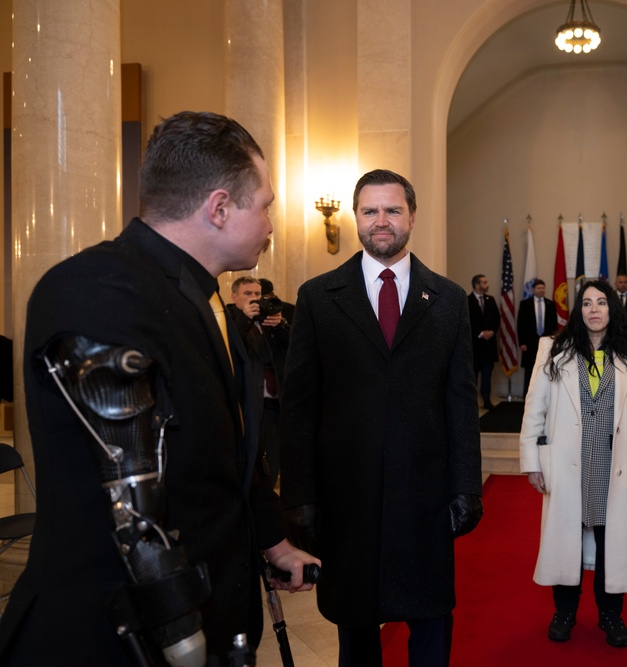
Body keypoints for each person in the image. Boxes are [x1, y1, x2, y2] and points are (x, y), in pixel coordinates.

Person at [0, 111, 319, 666]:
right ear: (219, 208)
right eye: (265, 205)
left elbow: (231, 453)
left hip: (212, 612)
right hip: (119, 638)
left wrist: (273, 541)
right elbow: (129, 502)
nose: (272, 224)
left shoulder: (206, 298)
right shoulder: (96, 289)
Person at [280, 168, 483, 667]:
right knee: (357, 627)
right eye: (370, 211)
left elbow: (461, 402)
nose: (381, 221)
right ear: (355, 218)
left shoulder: (450, 300)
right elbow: (299, 406)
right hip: (349, 497)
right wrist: (301, 494)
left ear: (412, 216)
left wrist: (467, 486)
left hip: (424, 495)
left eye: (393, 210)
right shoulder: (317, 298)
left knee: (431, 620)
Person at [520, 280, 627, 648]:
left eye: (602, 303)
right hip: (567, 466)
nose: (594, 309)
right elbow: (535, 410)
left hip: (613, 468)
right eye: (587, 303)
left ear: (612, 311)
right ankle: (565, 612)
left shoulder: (625, 357)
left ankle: (611, 616)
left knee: (613, 545)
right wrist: (532, 459)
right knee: (567, 542)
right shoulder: (553, 351)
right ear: (578, 310)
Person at [228, 275, 290, 488]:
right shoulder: (228, 317)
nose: (254, 298)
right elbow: (228, 347)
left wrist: (280, 326)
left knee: (272, 460)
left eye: (257, 294)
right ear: (234, 296)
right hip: (246, 403)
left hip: (274, 403)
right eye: (248, 294)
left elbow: (291, 352)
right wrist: (245, 319)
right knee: (248, 461)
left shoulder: (268, 319)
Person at [516, 278, 558, 396]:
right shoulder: (525, 304)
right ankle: (527, 396)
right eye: (539, 288)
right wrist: (522, 342)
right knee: (529, 371)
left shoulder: (551, 304)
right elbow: (521, 324)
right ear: (533, 289)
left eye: (543, 288)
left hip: (546, 343)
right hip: (529, 343)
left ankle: (545, 396)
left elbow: (554, 325)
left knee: (546, 369)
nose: (541, 290)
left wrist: (553, 342)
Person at [469, 273, 501, 409]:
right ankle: (472, 402)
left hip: (489, 346)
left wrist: (491, 332)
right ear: (477, 285)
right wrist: (480, 333)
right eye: (484, 282)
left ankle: (486, 400)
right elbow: (467, 321)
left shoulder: (490, 300)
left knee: (487, 376)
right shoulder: (467, 300)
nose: (487, 285)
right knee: (473, 377)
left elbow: (496, 319)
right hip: (475, 346)